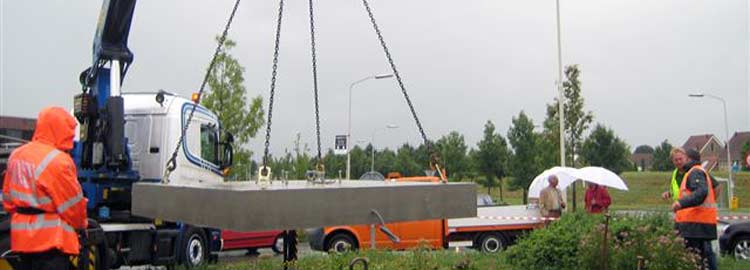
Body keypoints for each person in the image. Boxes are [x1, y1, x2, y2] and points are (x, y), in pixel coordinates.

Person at [3, 107, 88, 270]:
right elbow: (72, 207)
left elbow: (8, 199)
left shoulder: (16, 155)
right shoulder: (59, 161)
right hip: (51, 242)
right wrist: (81, 225)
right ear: (60, 129)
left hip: (22, 240)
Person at [672, 150, 718, 270]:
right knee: (701, 260)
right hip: (698, 224)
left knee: (694, 260)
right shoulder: (695, 172)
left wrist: (680, 203)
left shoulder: (695, 172)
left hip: (695, 224)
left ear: (689, 159)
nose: (680, 162)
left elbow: (701, 192)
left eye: (683, 158)